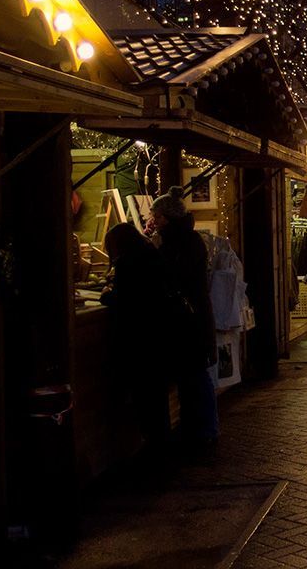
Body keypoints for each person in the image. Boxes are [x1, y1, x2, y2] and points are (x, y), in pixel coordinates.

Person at [149, 186, 219, 456]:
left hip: (188, 321)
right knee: (193, 377)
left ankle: (205, 433)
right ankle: (200, 432)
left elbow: (174, 277)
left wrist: (156, 252)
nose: (154, 221)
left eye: (157, 216)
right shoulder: (184, 240)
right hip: (189, 320)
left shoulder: (181, 243)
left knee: (196, 377)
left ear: (167, 217)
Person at [100, 222, 171, 452]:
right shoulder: (151, 255)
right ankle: (161, 442)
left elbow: (125, 300)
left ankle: (152, 444)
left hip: (138, 341)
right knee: (156, 396)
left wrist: (107, 295)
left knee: (144, 396)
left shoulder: (128, 263)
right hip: (158, 336)